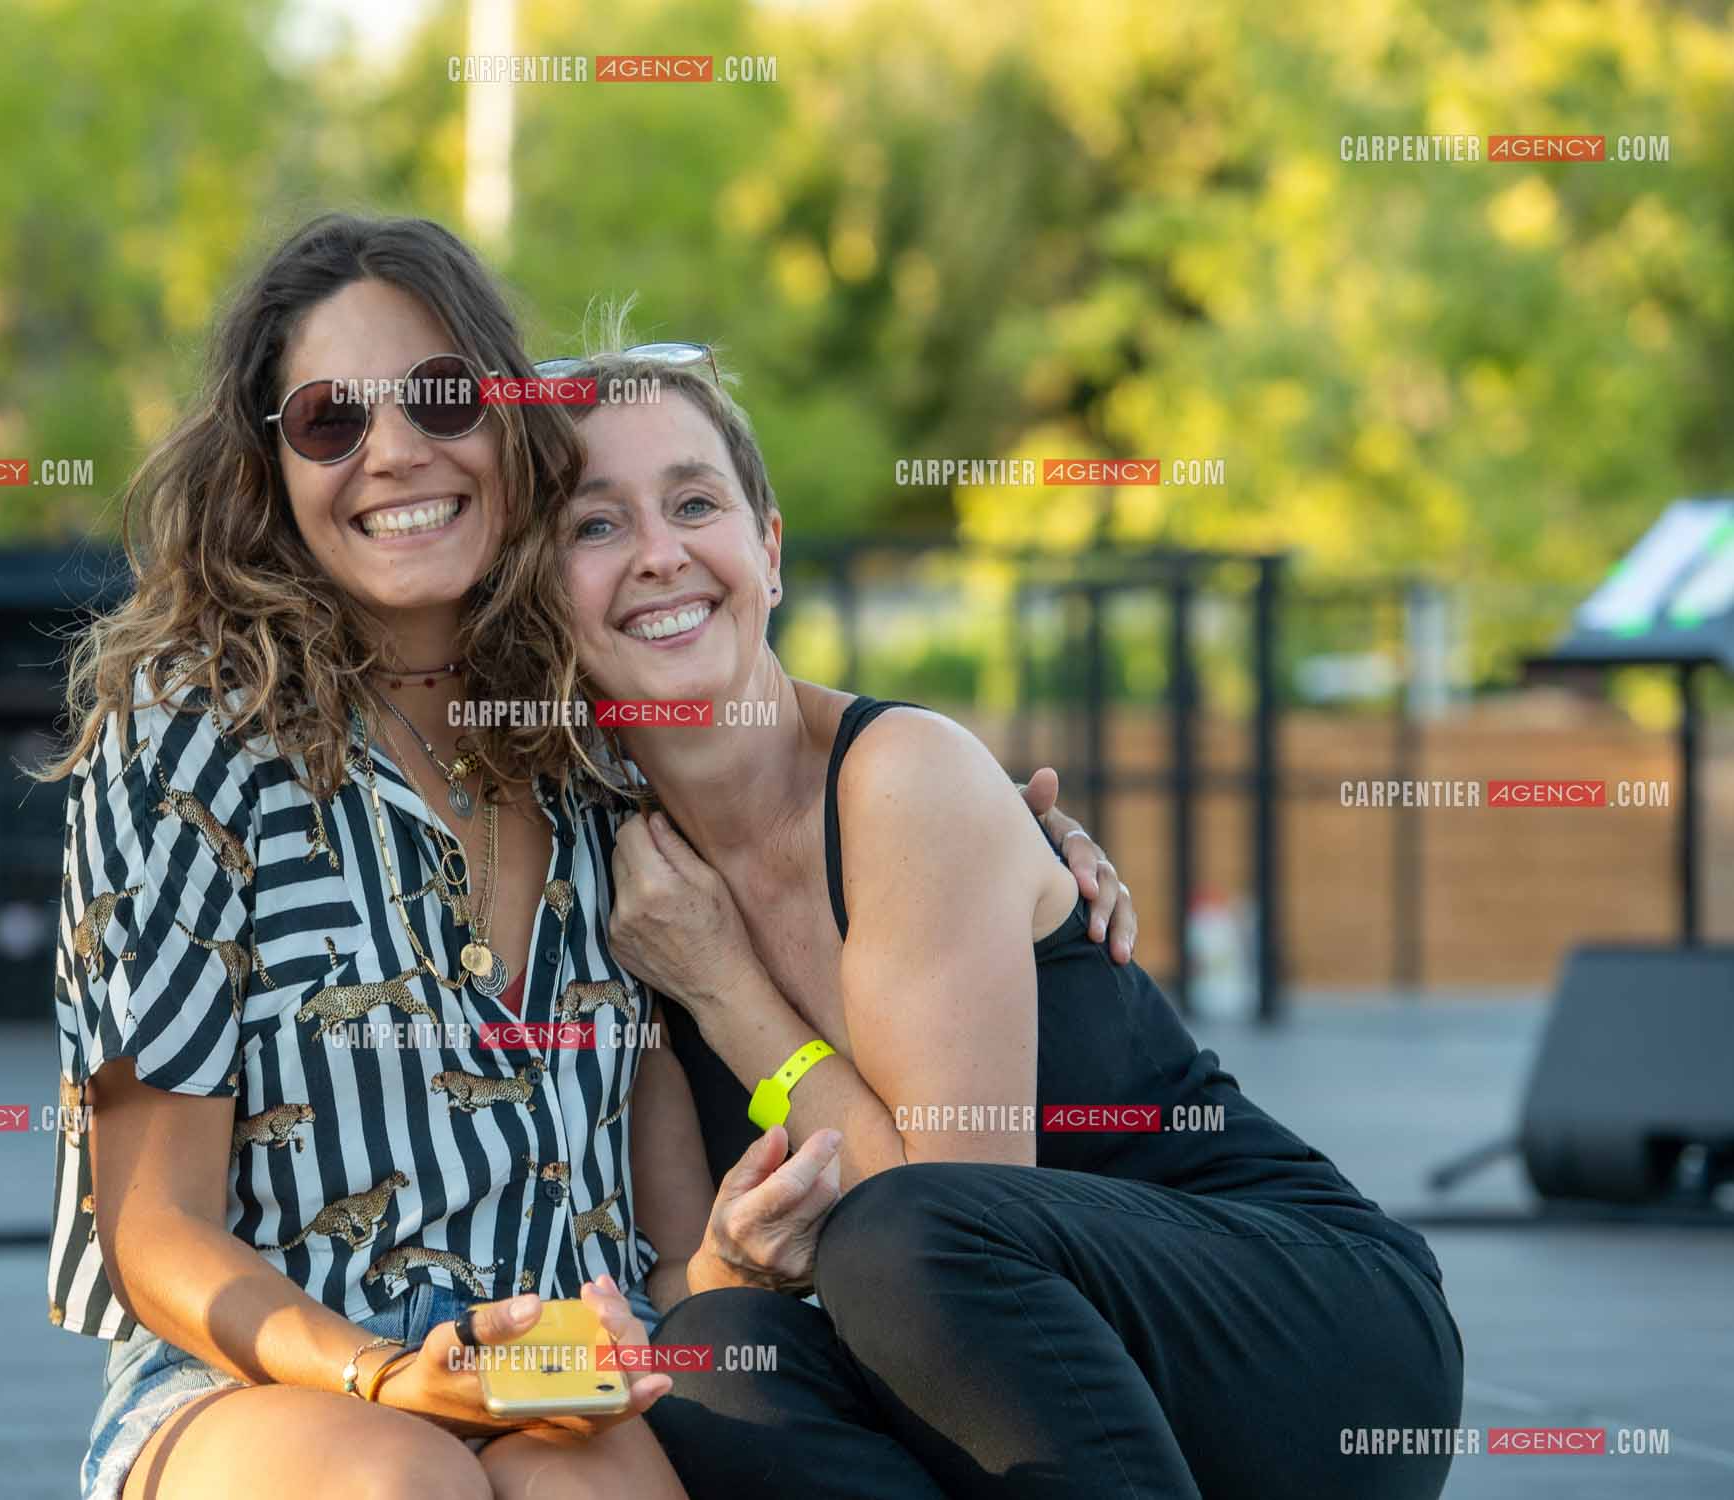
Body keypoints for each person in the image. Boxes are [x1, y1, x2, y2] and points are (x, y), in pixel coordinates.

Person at [32, 214, 1138, 1500]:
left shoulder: (596, 760)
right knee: (403, 1485)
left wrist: (1012, 827)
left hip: (564, 1372)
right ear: (271, 469)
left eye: (442, 399)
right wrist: (391, 1376)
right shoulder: (190, 736)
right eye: (332, 420)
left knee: (601, 1487)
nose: (393, 451)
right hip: (270, 1383)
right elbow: (151, 1225)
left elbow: (673, 1248)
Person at [542, 338, 1467, 1499]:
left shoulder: (902, 779)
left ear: (768, 552)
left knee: (902, 1241)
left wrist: (727, 989)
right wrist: (728, 1263)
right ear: (544, 597)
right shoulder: (626, 889)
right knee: (711, 1363)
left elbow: (944, 1217)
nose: (660, 554)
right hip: (1039, 1420)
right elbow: (699, 1277)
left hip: (1298, 1335)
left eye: (693, 502)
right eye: (595, 526)